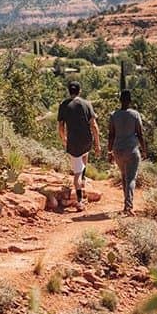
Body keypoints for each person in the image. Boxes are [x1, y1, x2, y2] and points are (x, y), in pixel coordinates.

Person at [57, 81, 101, 211]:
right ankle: (82, 182)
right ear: (79, 91)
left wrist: (63, 139)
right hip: (87, 140)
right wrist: (97, 144)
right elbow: (94, 125)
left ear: (69, 91)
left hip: (73, 142)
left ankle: (80, 200)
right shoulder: (87, 104)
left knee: (76, 173)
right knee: (84, 158)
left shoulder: (64, 105)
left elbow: (60, 126)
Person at [107, 89, 147, 216]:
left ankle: (126, 204)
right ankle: (128, 206)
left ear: (120, 100)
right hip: (132, 150)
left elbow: (111, 135)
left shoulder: (113, 115)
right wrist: (144, 150)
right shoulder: (135, 115)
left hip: (118, 150)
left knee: (124, 176)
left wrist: (109, 152)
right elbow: (140, 134)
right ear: (130, 101)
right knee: (131, 178)